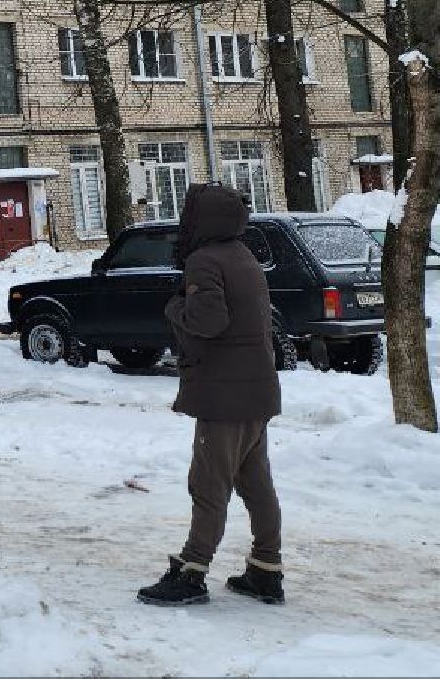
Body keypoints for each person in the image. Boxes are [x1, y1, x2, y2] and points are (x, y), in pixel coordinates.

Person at [137, 183, 285, 607]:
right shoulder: (244, 256)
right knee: (256, 484)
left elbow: (208, 321)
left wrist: (174, 308)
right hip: (256, 391)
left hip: (224, 395)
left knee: (208, 485)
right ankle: (266, 569)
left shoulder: (203, 260)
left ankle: (191, 571)